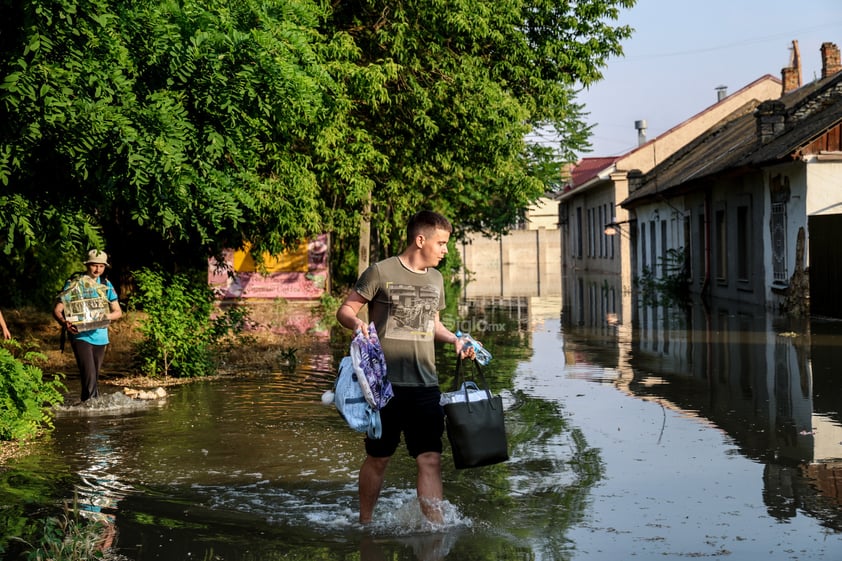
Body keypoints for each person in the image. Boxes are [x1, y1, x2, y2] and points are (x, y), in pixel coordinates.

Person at [336, 210, 474, 525]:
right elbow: (345, 308)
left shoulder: (437, 279)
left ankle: (435, 529)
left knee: (430, 459)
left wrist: (455, 339)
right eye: (441, 243)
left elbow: (433, 325)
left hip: (425, 386)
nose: (445, 250)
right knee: (379, 458)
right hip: (383, 388)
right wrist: (355, 322)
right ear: (420, 239)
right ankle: (365, 524)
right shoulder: (380, 272)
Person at [53, 250, 122, 402]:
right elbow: (58, 310)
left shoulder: (106, 285)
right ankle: (92, 412)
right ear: (87, 265)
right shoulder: (74, 283)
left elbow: (118, 312)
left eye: (101, 266)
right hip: (80, 335)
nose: (97, 270)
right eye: (94, 266)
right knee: (89, 375)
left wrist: (106, 316)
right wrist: (65, 323)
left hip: (101, 337)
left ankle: (88, 412)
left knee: (92, 379)